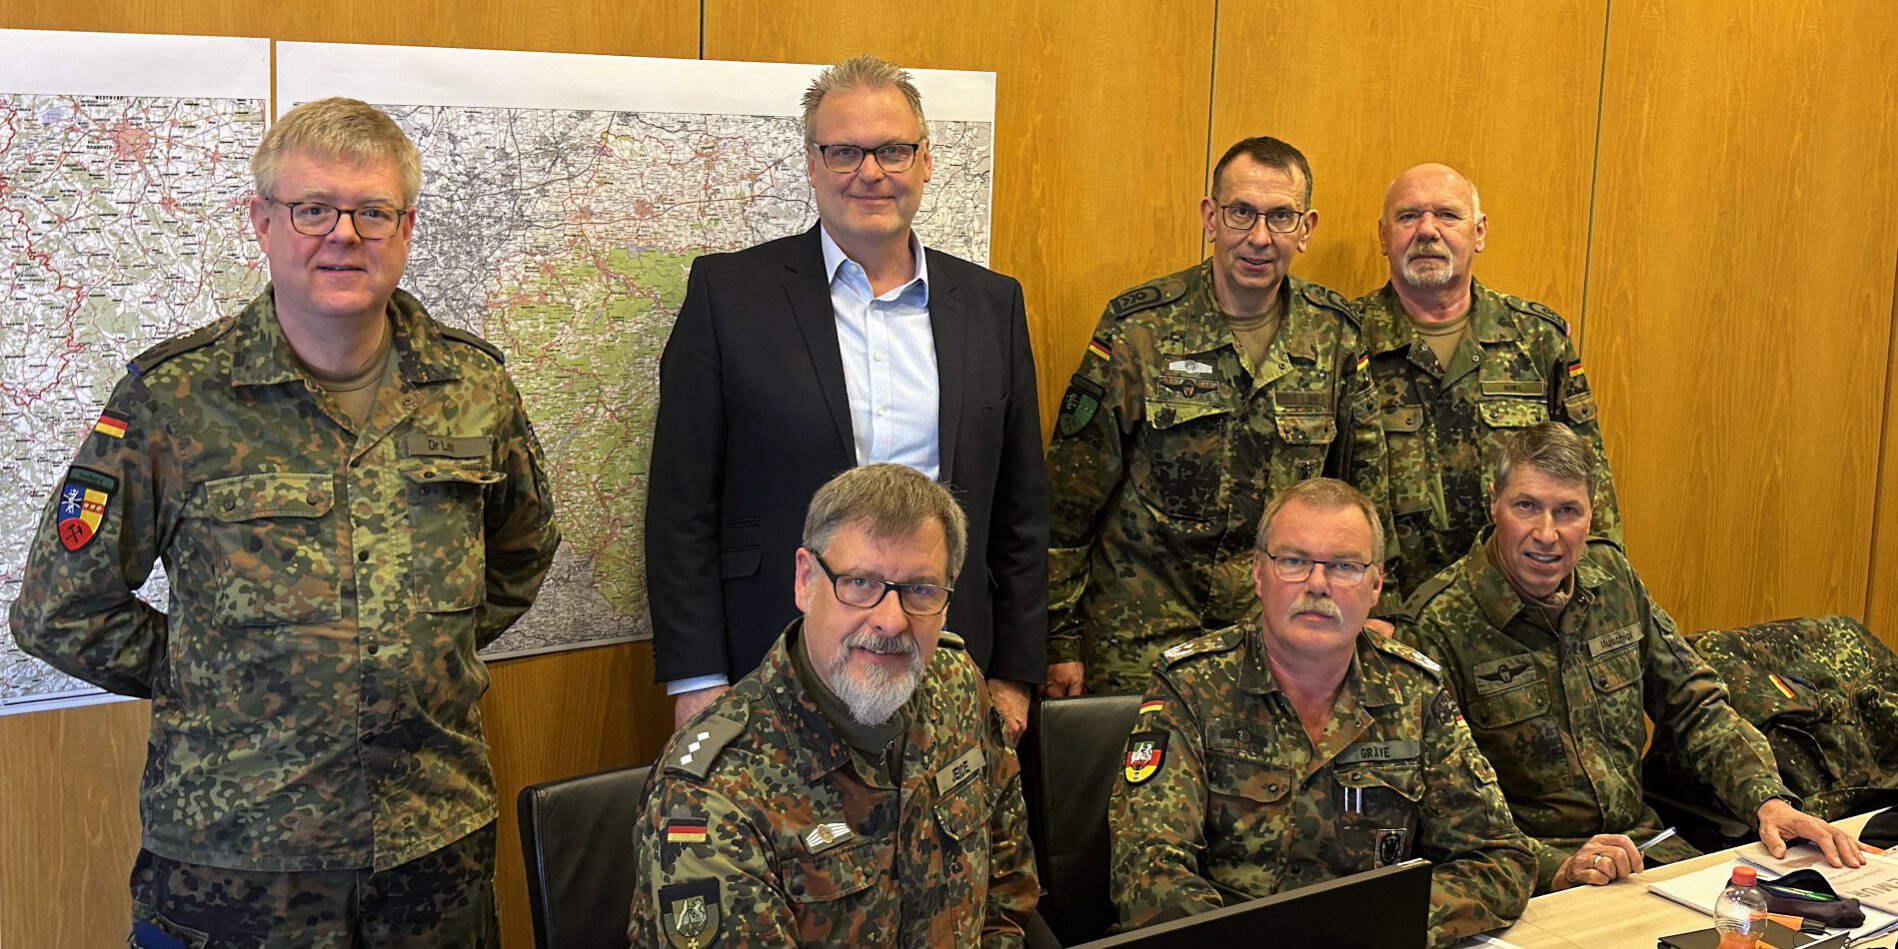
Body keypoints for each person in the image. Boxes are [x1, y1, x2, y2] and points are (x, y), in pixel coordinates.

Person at [8, 97, 560, 945]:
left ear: (406, 229)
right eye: (313, 209)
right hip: (234, 856)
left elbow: (522, 548)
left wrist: (413, 645)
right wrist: (215, 673)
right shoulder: (175, 397)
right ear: (263, 222)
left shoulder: (474, 387)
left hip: (432, 843)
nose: (344, 234)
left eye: (373, 211)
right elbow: (59, 608)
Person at [646, 54, 1047, 740]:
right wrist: (697, 678)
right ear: (812, 163)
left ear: (925, 161)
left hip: (951, 661)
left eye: (893, 149)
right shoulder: (728, 296)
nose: (871, 172)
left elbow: (1022, 510)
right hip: (774, 661)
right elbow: (682, 507)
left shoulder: (992, 304)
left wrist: (1013, 673)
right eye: (844, 151)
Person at [1403, 423, 1863, 892]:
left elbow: (1695, 706)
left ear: (1591, 514)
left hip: (1648, 852)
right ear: (1494, 505)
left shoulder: (1612, 578)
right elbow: (1443, 807)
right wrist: (1559, 867)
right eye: (1526, 507)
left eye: (1567, 511)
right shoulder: (1437, 625)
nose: (1546, 533)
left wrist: (1769, 802)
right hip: (1526, 878)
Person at [1107, 478, 1531, 948]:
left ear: (1376, 584)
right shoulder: (1190, 686)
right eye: (1293, 561)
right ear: (1258, 573)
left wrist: (1379, 925)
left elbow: (1499, 859)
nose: (1317, 584)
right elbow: (1148, 870)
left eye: (1345, 566)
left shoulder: (1415, 692)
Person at [629, 464, 1038, 946]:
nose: (891, 621)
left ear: (946, 603)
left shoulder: (957, 686)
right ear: (806, 580)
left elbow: (1006, 887)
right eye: (861, 583)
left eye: (920, 590)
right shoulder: (713, 792)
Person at [1044, 135, 1386, 696]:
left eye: (1280, 217)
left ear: (1306, 228)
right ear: (1211, 218)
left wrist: (1374, 613)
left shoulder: (1336, 336)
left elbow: (1364, 496)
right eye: (1240, 212)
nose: (1259, 237)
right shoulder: (1140, 328)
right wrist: (1059, 638)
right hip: (1140, 631)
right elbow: (1068, 502)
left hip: (1279, 633)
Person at [1351, 163, 1619, 598]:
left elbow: (1591, 489)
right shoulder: (1346, 342)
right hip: (1390, 614)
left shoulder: (1537, 339)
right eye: (1408, 216)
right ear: (1384, 237)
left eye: (1447, 215)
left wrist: (1593, 601)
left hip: (1522, 609)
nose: (1427, 231)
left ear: (1479, 232)